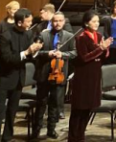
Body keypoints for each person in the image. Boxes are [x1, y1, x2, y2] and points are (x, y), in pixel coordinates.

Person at [0, 8, 43, 142]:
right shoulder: (5, 36)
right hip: (4, 78)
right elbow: (7, 59)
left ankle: (7, 137)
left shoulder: (28, 34)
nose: (30, 24)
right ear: (19, 23)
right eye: (28, 21)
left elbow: (30, 57)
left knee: (12, 111)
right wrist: (26, 52)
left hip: (18, 78)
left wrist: (35, 51)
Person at [68, 10, 113, 142]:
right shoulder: (81, 38)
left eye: (98, 21)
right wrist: (101, 49)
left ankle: (81, 136)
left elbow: (104, 57)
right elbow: (84, 57)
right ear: (87, 23)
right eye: (94, 21)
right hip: (83, 77)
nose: (97, 23)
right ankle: (73, 138)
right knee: (78, 109)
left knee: (88, 108)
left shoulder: (99, 36)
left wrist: (106, 49)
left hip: (94, 76)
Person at [32, 12, 75, 140]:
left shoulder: (69, 36)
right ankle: (36, 131)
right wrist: (48, 53)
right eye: (55, 21)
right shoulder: (43, 35)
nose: (58, 23)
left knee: (55, 104)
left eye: (60, 21)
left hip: (59, 75)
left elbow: (74, 53)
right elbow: (36, 52)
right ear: (51, 22)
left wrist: (63, 55)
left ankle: (51, 129)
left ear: (64, 22)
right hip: (44, 74)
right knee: (41, 104)